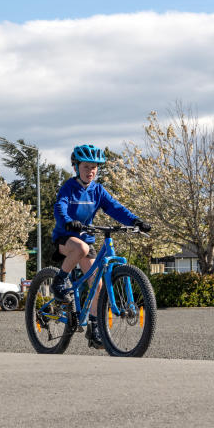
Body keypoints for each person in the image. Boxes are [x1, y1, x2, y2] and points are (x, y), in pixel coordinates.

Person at [50, 143, 149, 348]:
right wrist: (68, 221)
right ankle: (59, 282)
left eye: (94, 167)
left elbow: (115, 207)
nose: (91, 171)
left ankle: (94, 328)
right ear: (76, 167)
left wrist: (135, 221)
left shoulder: (97, 190)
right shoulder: (69, 187)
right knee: (81, 249)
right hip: (65, 238)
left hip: (86, 239)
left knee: (99, 284)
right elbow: (60, 207)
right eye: (86, 167)